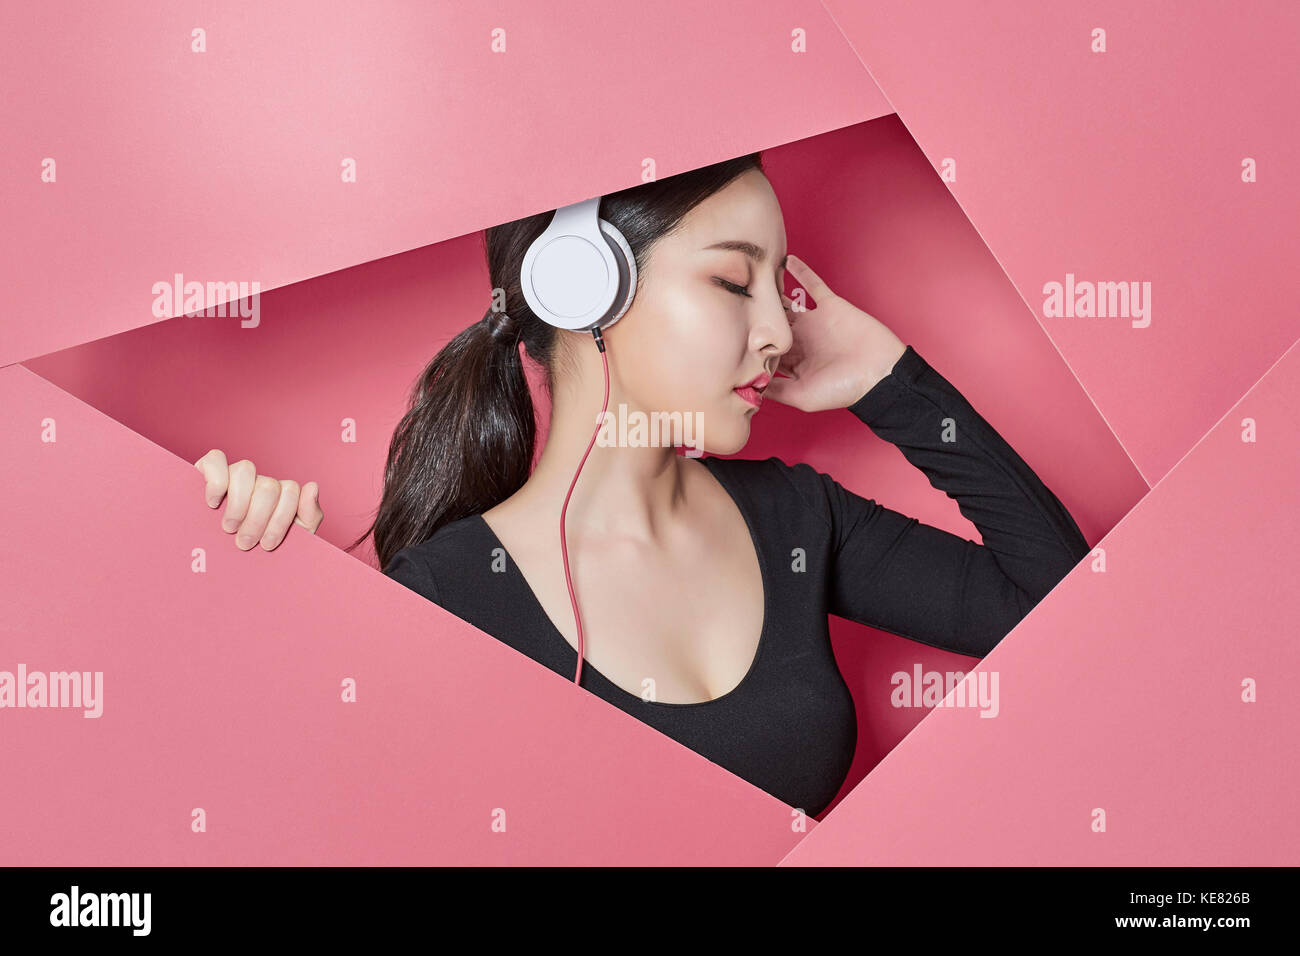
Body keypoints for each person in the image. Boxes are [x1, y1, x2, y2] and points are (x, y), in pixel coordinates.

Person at [194, 153, 1090, 818]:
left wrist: (890, 380)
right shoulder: (446, 594)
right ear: (587, 289)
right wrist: (258, 605)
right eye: (736, 281)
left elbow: (1069, 624)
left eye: (781, 289)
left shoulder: (798, 517)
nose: (778, 328)